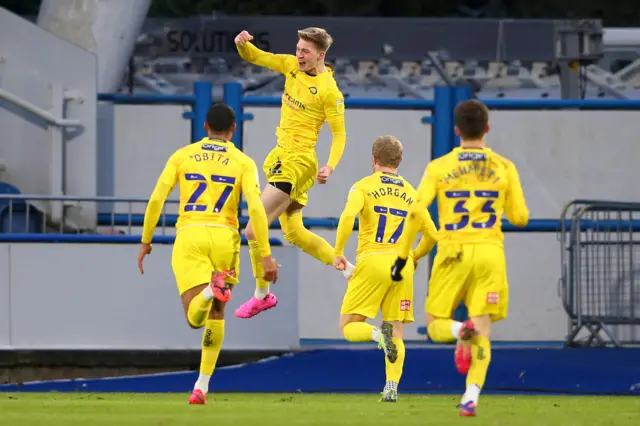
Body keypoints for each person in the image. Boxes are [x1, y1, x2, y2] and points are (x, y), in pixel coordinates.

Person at [391, 99, 529, 416]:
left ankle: (458, 330)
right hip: (490, 252)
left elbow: (416, 211)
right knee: (483, 331)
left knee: (436, 324)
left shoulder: (439, 167)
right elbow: (520, 217)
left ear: (456, 130)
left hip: (452, 250)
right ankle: (471, 396)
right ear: (487, 129)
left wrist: (403, 257)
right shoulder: (504, 166)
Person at [136, 103, 279, 405]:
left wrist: (146, 240)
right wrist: (264, 255)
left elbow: (156, 199)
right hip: (226, 237)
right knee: (217, 314)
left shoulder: (183, 155)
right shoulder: (243, 162)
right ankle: (201, 386)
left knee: (195, 318)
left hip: (191, 234)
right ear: (233, 130)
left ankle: (207, 294)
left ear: (204, 127)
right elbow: (255, 208)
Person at [233, 27, 354, 319]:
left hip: (298, 163)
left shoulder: (330, 91)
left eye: (306, 51)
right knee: (295, 232)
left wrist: (330, 165)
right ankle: (350, 271)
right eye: (298, 49)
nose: (299, 55)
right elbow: (257, 57)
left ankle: (262, 294)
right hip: (282, 157)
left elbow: (340, 135)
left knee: (252, 229)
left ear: (320, 55)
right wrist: (242, 45)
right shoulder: (290, 66)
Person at [333, 135, 439, 403]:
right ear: (399, 161)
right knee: (398, 330)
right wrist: (413, 256)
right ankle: (391, 386)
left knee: (348, 327)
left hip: (373, 259)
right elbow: (432, 236)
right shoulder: (412, 193)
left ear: (373, 159)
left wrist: (337, 252)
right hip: (400, 267)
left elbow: (347, 216)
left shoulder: (362, 187)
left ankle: (377, 335)